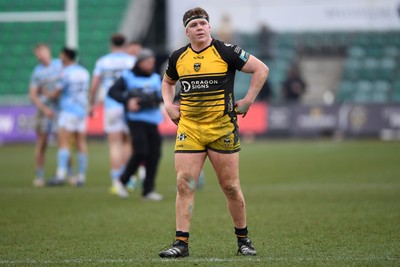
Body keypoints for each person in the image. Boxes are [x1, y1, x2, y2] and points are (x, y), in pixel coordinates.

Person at [158, 7, 269, 258]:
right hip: (190, 129)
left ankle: (243, 240)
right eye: (194, 24)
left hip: (221, 128)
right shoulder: (178, 57)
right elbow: (167, 82)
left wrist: (249, 100)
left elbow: (261, 69)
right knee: (184, 184)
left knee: (230, 187)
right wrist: (168, 105)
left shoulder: (225, 51)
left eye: (203, 23)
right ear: (187, 31)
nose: (199, 27)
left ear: (209, 27)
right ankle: (181, 244)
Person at [108, 48, 164, 201]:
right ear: (139, 62)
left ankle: (148, 190)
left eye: (152, 62)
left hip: (153, 119)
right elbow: (112, 91)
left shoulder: (156, 78)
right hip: (136, 119)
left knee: (155, 154)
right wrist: (128, 100)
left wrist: (156, 99)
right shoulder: (128, 76)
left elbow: (165, 95)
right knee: (141, 152)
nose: (150, 64)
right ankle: (121, 181)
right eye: (147, 61)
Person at [88, 33, 139, 192]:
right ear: (125, 45)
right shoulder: (132, 61)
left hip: (111, 106)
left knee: (114, 143)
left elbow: (95, 84)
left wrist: (91, 103)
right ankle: (129, 179)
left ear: (111, 45)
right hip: (128, 105)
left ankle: (117, 180)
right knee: (128, 143)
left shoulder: (103, 61)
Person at [46, 47, 90, 186]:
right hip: (81, 111)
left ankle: (61, 174)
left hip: (68, 110)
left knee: (63, 142)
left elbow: (57, 92)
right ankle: (81, 176)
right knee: (80, 143)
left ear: (65, 56)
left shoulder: (65, 73)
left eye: (61, 54)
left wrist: (45, 94)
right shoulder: (84, 72)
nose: (60, 57)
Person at [29, 43, 63, 187]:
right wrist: (44, 109)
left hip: (60, 110)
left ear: (48, 51)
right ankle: (40, 175)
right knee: (42, 143)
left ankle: (66, 173)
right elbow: (33, 94)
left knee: (63, 142)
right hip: (44, 112)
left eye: (41, 52)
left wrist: (52, 95)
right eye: (37, 54)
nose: (39, 55)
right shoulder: (36, 72)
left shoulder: (59, 65)